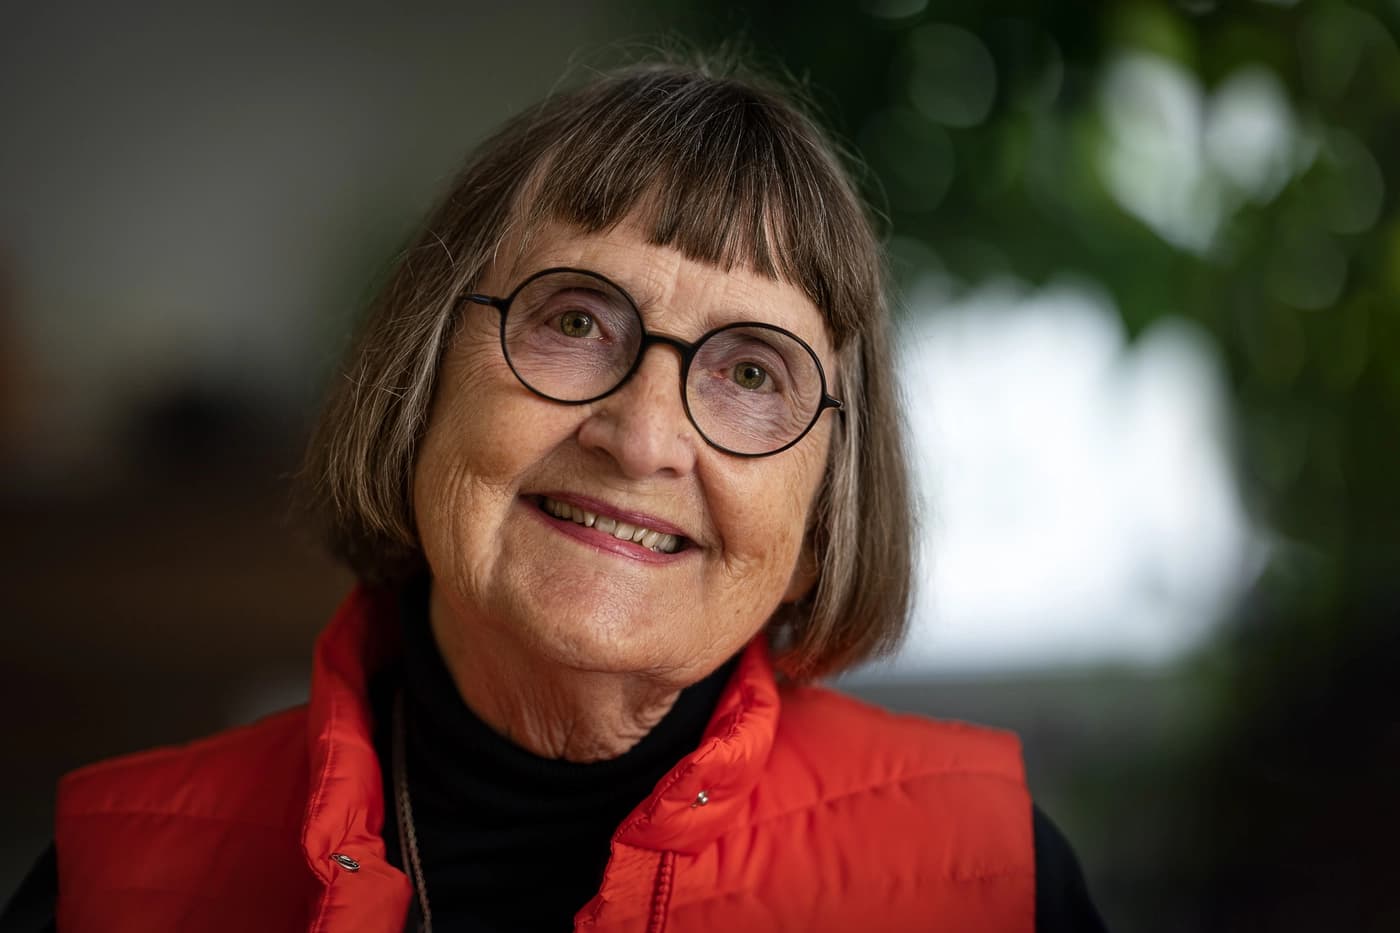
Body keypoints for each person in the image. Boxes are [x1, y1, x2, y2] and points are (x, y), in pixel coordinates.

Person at [2, 60, 1106, 932]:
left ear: (821, 520)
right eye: (575, 320)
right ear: (422, 381)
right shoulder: (114, 880)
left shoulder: (993, 877)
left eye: (751, 374)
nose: (643, 437)